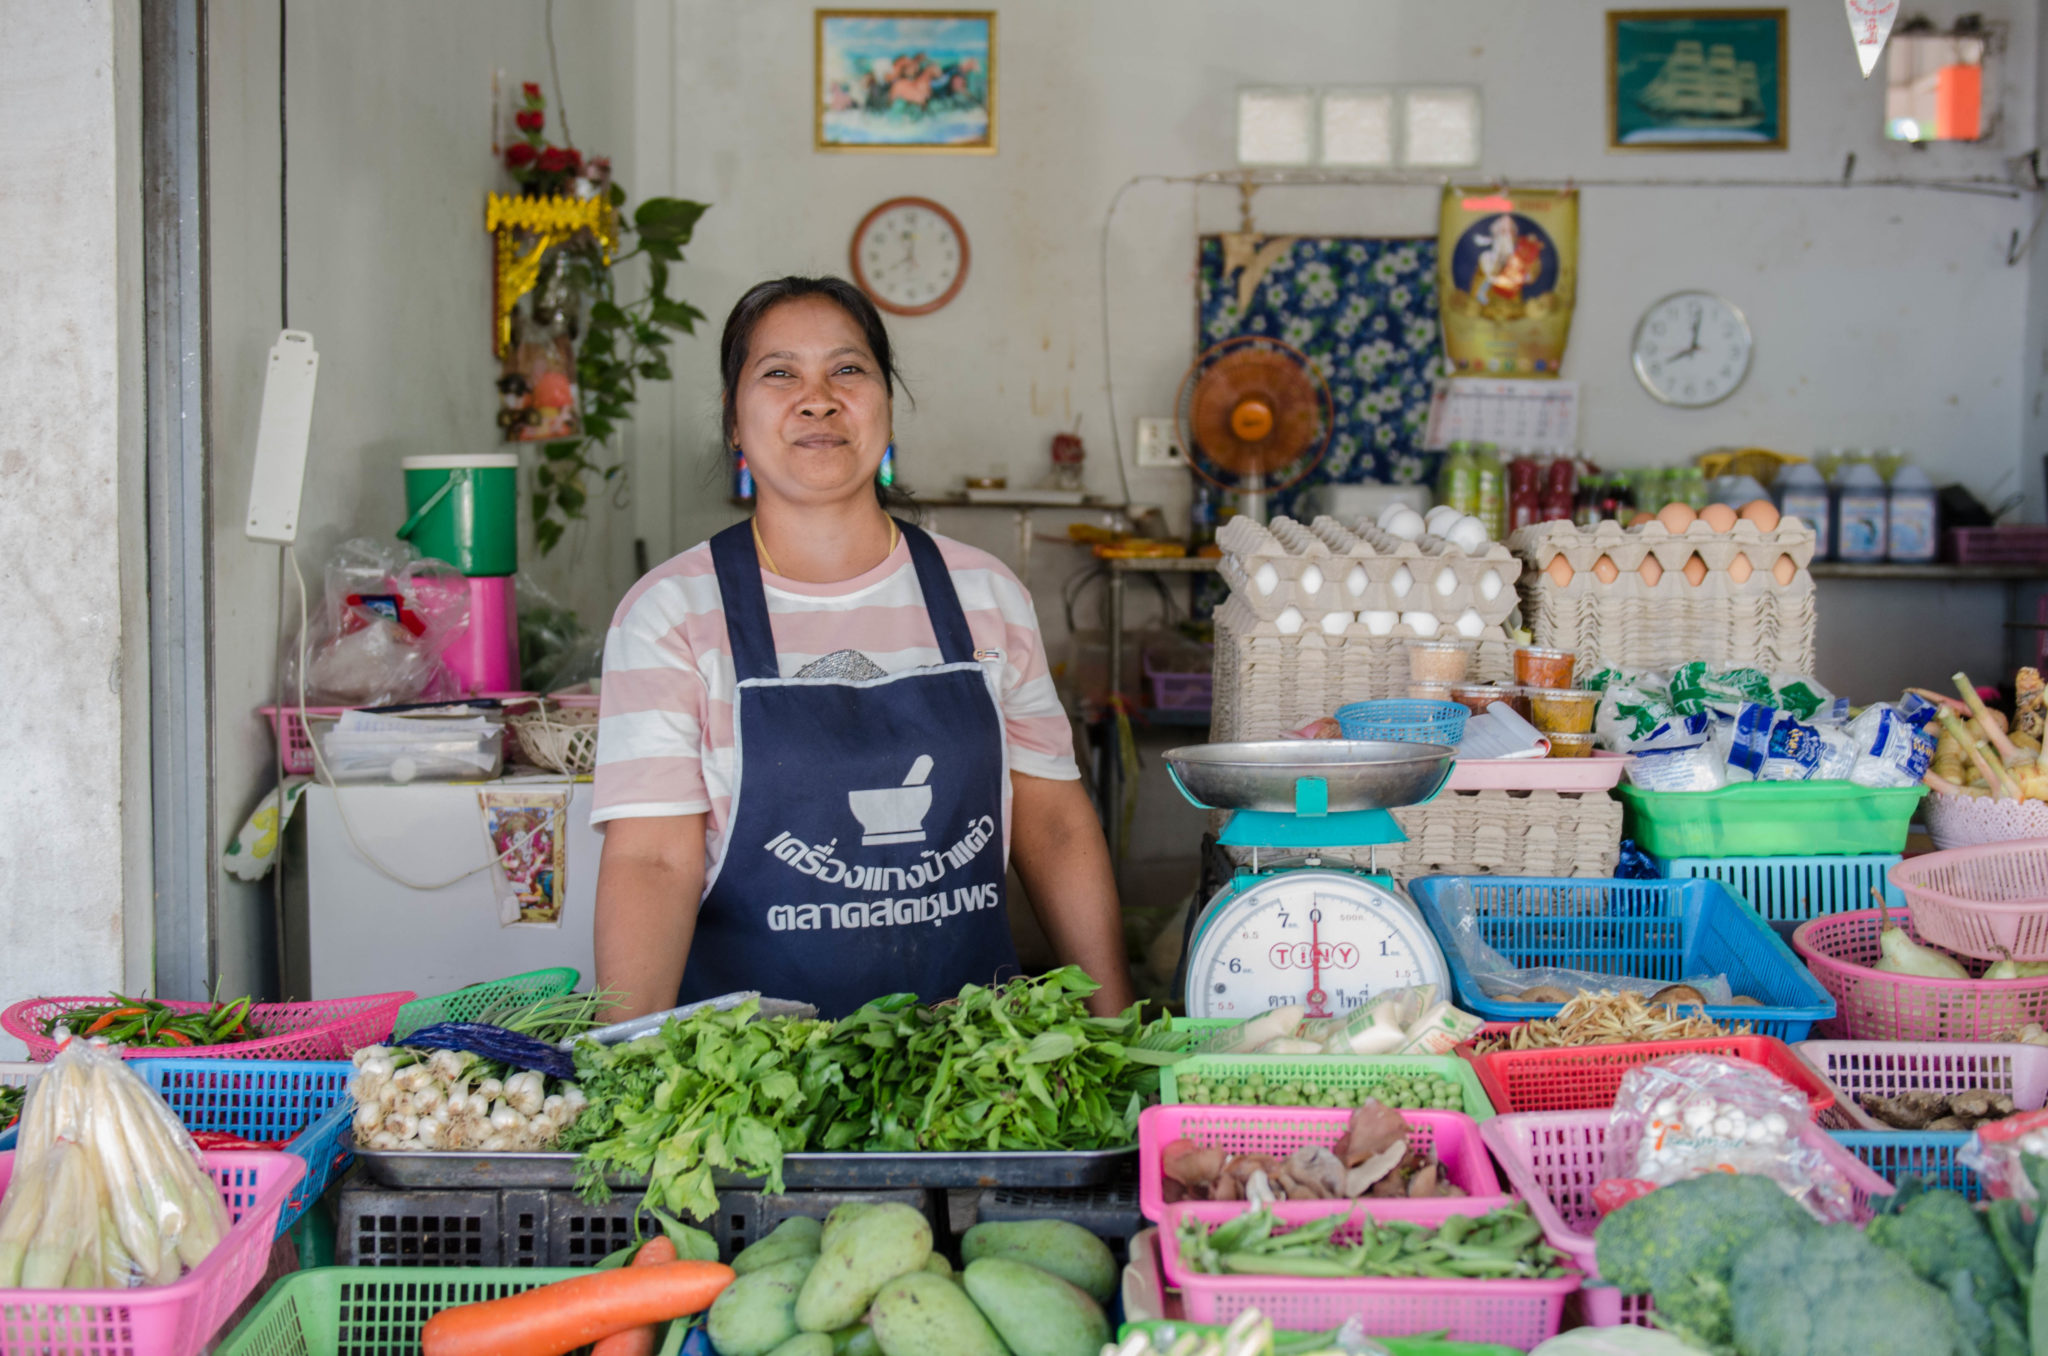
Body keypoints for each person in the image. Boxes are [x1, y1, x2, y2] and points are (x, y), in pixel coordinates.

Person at [590, 276, 1135, 1021]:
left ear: (887, 404)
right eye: (780, 373)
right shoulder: (670, 614)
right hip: (750, 1082)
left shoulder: (986, 594)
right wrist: (632, 1070)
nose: (818, 398)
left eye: (848, 370)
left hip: (972, 1069)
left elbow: (1053, 821)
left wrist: (1115, 1030)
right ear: (733, 421)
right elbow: (653, 860)